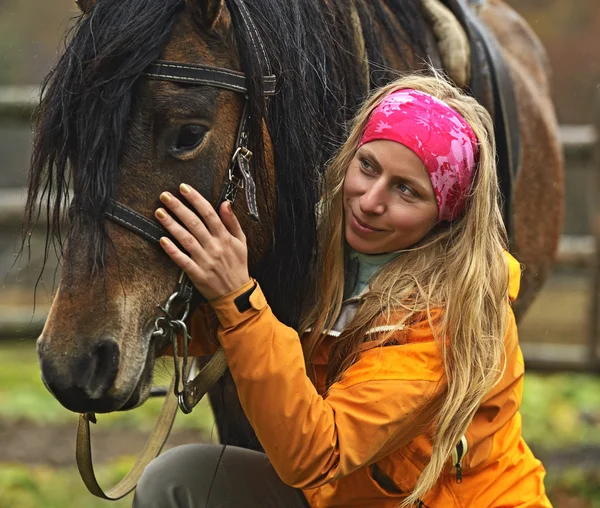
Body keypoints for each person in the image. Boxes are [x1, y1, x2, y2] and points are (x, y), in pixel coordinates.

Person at [132, 75, 551, 507]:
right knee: (177, 481)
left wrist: (237, 298)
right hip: (344, 495)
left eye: (406, 190)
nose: (369, 200)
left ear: (444, 215)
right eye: (368, 166)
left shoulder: (448, 315)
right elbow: (226, 331)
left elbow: (315, 452)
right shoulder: (325, 245)